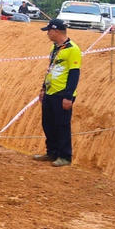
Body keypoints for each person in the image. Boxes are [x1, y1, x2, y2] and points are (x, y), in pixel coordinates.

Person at [35, 18, 80, 167]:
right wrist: (43, 88)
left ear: (56, 31)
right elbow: (50, 69)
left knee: (62, 125)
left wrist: (68, 96)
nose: (47, 33)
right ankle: (52, 152)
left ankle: (64, 156)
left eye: (49, 31)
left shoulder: (73, 49)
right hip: (50, 92)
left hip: (62, 93)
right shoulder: (54, 48)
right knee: (48, 123)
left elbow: (74, 74)